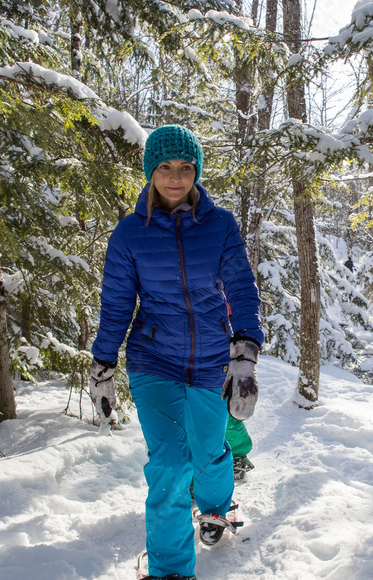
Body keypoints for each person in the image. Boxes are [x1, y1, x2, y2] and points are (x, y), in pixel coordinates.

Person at [88, 124, 264, 580]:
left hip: (209, 360)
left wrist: (244, 353)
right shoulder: (130, 233)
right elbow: (117, 305)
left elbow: (242, 287)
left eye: (185, 167)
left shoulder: (220, 225)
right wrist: (103, 363)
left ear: (196, 172)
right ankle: (170, 572)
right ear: (150, 172)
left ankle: (215, 507)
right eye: (165, 166)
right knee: (170, 461)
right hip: (154, 361)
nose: (175, 176)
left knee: (207, 451)